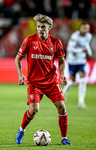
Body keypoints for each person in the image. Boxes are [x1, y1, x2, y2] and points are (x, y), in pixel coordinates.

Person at [15, 14, 72, 145]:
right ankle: (21, 130)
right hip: (35, 83)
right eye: (38, 26)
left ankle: (64, 138)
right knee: (34, 110)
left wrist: (62, 74)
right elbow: (18, 58)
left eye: (43, 27)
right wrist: (20, 75)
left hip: (51, 82)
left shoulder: (56, 42)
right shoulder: (29, 41)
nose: (40, 29)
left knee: (62, 108)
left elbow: (62, 61)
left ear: (49, 27)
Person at [63, 22, 92, 109]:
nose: (84, 30)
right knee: (73, 81)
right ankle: (63, 93)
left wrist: (89, 52)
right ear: (80, 28)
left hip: (81, 61)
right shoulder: (75, 36)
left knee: (83, 79)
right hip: (72, 61)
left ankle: (81, 102)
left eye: (86, 28)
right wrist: (81, 51)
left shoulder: (88, 36)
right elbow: (69, 49)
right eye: (83, 28)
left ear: (88, 29)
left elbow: (86, 45)